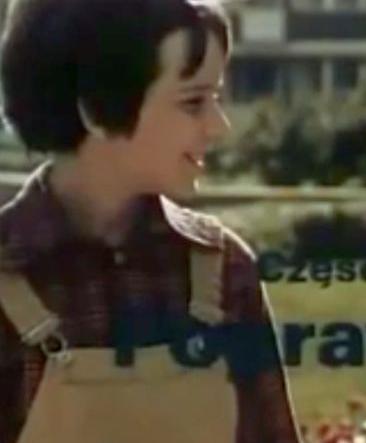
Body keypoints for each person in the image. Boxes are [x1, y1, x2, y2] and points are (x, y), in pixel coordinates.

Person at [0, 0, 300, 442]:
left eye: (215, 98)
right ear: (97, 109)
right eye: (193, 102)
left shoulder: (224, 269)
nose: (218, 126)